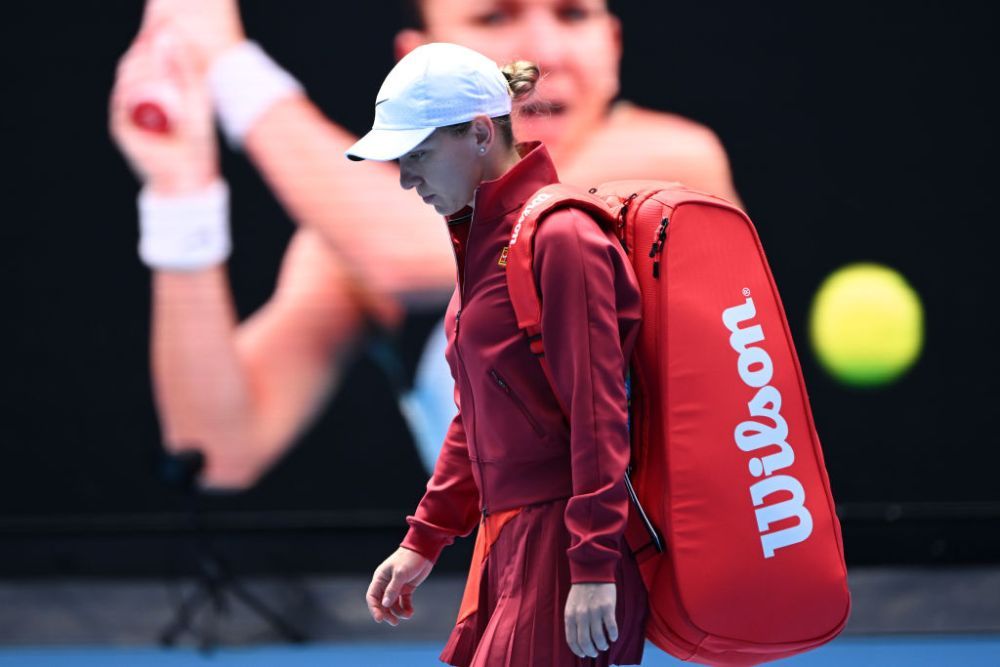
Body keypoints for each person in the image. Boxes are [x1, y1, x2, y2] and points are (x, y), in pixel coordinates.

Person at [115, 0, 739, 488]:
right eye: (494, 16)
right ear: (418, 61)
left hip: (707, 606)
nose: (546, 51)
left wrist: (228, 67)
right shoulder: (357, 240)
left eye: (575, 14)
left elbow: (414, 249)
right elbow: (221, 450)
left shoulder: (671, 163)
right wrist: (181, 193)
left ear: (613, 43)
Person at [356, 42, 646, 666]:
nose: (407, 178)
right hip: (508, 542)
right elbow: (479, 411)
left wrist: (592, 563)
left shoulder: (562, 236)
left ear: (482, 133)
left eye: (419, 155)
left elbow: (599, 412)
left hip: (566, 550)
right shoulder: (484, 243)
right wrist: (425, 539)